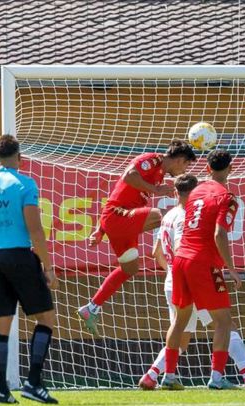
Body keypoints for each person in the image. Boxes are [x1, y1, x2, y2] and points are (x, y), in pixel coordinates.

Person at [139, 173, 245, 389]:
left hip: (175, 276)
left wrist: (173, 272)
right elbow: (185, 246)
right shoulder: (187, 216)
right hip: (195, 273)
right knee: (225, 323)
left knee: (181, 332)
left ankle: (154, 375)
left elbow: (156, 252)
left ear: (175, 192)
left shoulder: (169, 215)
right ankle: (244, 375)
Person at [0, 135, 59, 404]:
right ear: (20, 157)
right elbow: (35, 230)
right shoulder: (24, 184)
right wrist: (48, 267)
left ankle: (1, 391)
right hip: (18, 255)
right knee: (46, 318)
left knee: (0, 324)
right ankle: (33, 382)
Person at [77, 140, 197, 335]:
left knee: (130, 268)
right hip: (118, 215)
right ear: (180, 160)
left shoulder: (159, 174)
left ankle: (91, 308)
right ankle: (178, 254)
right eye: (186, 165)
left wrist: (100, 231)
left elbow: (115, 194)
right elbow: (128, 176)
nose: (185, 169)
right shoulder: (152, 160)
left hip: (120, 221)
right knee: (159, 216)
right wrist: (155, 189)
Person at [160, 149, 243, 390]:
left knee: (180, 320)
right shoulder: (226, 197)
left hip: (180, 260)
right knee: (223, 321)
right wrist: (231, 268)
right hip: (202, 262)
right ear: (231, 168)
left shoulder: (195, 192)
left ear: (207, 169)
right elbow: (219, 234)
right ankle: (217, 378)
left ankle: (169, 376)